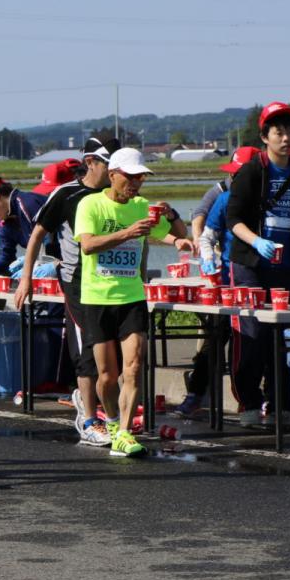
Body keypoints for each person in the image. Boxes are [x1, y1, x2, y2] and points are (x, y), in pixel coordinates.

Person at [75, 148, 192, 456]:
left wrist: (173, 221)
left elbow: (177, 234)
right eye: (130, 176)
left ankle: (125, 433)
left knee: (135, 366)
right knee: (107, 376)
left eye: (141, 177)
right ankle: (112, 421)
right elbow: (87, 246)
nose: (136, 182)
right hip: (97, 298)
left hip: (132, 297)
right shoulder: (91, 204)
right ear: (112, 174)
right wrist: (128, 233)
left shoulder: (142, 206)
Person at [14, 138, 116, 446]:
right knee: (87, 349)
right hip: (77, 282)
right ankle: (88, 420)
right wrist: (26, 277)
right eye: (109, 165)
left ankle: (106, 412)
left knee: (113, 352)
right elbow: (37, 234)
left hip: (112, 283)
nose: (115, 172)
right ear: (91, 162)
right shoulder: (67, 193)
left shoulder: (117, 193)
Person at [225, 101, 290, 425]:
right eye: (278, 132)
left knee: (283, 334)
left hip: (284, 263)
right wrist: (256, 241)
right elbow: (233, 219)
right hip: (249, 262)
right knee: (252, 336)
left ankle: (280, 404)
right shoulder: (252, 171)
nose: (285, 138)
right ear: (265, 136)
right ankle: (249, 401)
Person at [182, 146, 261, 416]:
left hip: (261, 278)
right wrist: (207, 255)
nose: (235, 179)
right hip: (228, 277)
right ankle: (196, 394)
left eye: (241, 174)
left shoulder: (271, 197)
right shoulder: (224, 196)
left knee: (261, 341)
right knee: (216, 335)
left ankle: (269, 400)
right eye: (233, 173)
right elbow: (203, 226)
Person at [0, 177, 47, 274]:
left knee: (31, 273)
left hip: (60, 259)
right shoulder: (4, 225)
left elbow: (48, 241)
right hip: (41, 259)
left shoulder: (28, 204)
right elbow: (6, 258)